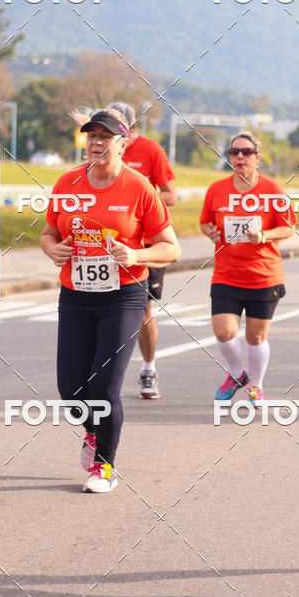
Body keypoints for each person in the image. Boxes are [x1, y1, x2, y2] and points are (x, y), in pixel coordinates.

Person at [41, 108, 180, 493]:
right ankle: (92, 431)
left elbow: (172, 248)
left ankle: (104, 467)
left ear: (123, 142)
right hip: (76, 294)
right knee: (70, 389)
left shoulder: (139, 188)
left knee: (103, 387)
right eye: (92, 136)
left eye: (106, 136)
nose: (97, 143)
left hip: (124, 295)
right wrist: (53, 250)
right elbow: (49, 233)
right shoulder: (67, 183)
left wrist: (138, 256)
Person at [199, 131, 296, 405]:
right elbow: (205, 222)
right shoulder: (216, 190)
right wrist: (210, 233)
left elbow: (288, 227)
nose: (239, 157)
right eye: (234, 152)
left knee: (255, 336)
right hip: (227, 274)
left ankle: (256, 385)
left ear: (257, 157)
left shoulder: (272, 189)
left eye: (246, 152)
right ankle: (237, 373)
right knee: (223, 331)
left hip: (264, 275)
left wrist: (264, 236)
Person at [106, 102, 177, 400]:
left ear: (132, 129)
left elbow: (171, 195)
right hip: (106, 246)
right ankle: (106, 372)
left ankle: (148, 368)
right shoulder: (101, 151)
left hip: (146, 246)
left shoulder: (151, 151)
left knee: (144, 310)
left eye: (117, 127)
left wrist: (138, 195)